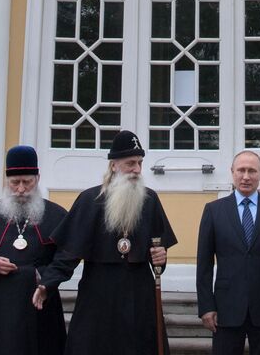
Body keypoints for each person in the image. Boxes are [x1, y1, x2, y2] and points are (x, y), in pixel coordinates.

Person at [32, 130, 177, 355]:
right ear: (113, 165)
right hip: (99, 292)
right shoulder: (90, 200)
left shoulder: (150, 200)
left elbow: (157, 253)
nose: (137, 170)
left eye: (139, 163)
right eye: (130, 163)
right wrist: (47, 284)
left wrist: (161, 258)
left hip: (139, 293)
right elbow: (68, 253)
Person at [0, 145, 68, 355]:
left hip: (40, 299)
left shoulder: (56, 215)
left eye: (26, 182)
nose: (20, 189)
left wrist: (44, 277)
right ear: (6, 181)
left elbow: (66, 256)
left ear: (37, 179)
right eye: (14, 182)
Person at [196, 149, 260, 355]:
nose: (246, 176)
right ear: (232, 172)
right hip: (226, 308)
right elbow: (204, 264)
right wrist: (206, 306)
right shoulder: (214, 211)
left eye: (252, 171)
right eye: (241, 170)